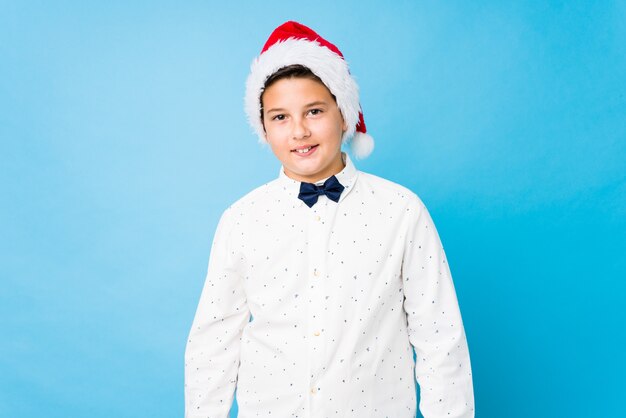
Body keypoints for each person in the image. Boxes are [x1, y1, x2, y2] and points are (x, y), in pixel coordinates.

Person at [184, 21, 475, 418]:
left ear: (345, 115)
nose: (299, 131)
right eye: (280, 117)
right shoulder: (241, 220)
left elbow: (439, 339)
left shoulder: (401, 211)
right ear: (264, 129)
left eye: (315, 111)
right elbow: (213, 345)